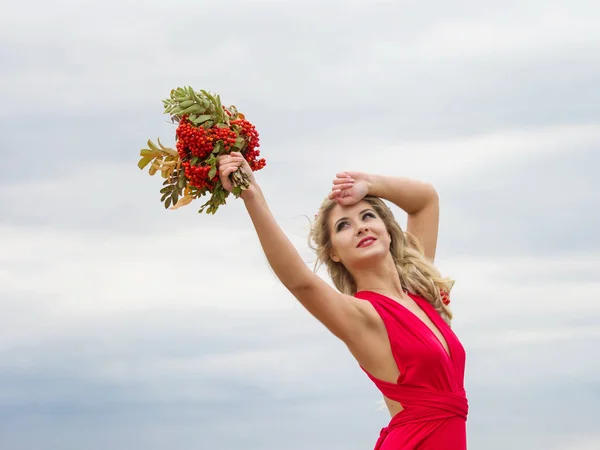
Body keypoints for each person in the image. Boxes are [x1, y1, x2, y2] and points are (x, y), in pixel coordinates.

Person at [218, 152, 468, 450]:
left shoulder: (421, 290)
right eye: (343, 226)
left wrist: (369, 183)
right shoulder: (363, 316)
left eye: (367, 216)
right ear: (334, 252)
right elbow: (300, 281)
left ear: (388, 230)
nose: (360, 227)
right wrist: (252, 195)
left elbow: (426, 200)